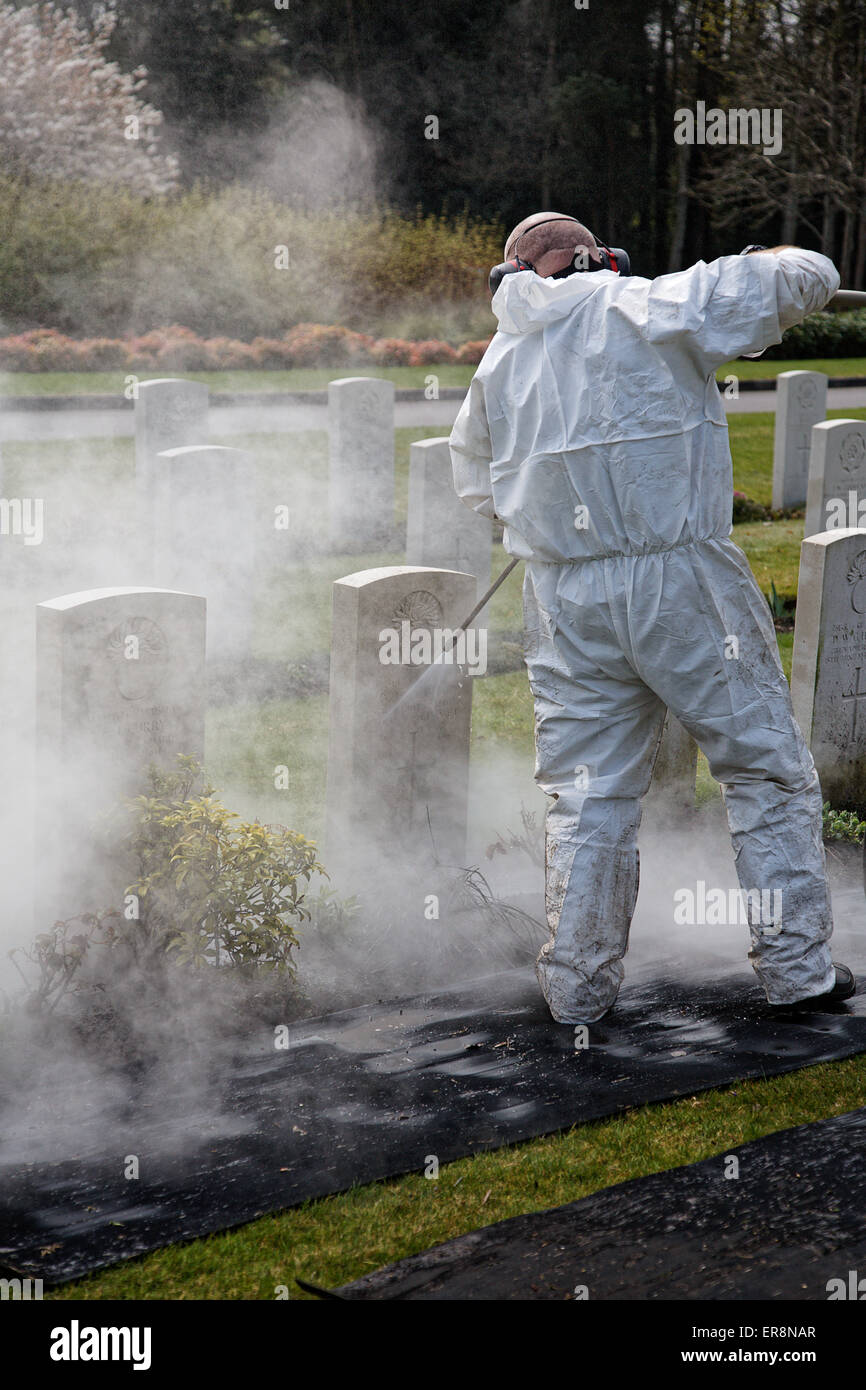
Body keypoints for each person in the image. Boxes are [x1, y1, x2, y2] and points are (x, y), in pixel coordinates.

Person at [449, 209, 856, 1024]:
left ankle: (576, 991)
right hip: (682, 581)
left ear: (515, 279)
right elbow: (808, 274)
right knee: (765, 769)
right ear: (598, 257)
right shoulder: (653, 304)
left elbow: (479, 491)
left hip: (562, 596)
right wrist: (761, 256)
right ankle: (798, 972)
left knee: (588, 796)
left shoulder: (498, 363)